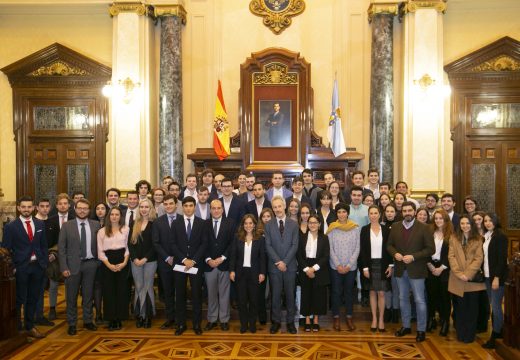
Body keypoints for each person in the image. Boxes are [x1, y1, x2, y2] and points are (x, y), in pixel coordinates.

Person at [387, 201, 434, 343]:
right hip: (400, 270)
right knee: (403, 298)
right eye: (405, 210)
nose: (407, 213)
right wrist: (395, 254)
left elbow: (430, 249)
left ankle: (421, 330)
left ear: (414, 212)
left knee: (419, 300)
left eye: (410, 210)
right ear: (402, 212)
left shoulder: (425, 228)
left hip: (417, 270)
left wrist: (414, 257)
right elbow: (389, 245)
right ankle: (406, 326)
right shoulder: (395, 226)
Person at [2, 196, 48, 338]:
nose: (26, 209)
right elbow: (5, 249)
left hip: (37, 267)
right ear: (18, 208)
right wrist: (13, 267)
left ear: (34, 208)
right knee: (19, 298)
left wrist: (44, 263)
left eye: (29, 207)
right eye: (23, 207)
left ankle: (30, 326)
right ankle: (16, 327)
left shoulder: (40, 224)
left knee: (33, 298)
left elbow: (43, 246)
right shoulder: (11, 227)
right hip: (20, 267)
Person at [58, 199, 100, 336]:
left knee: (88, 295)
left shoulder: (96, 225)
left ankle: (88, 320)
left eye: (85, 208)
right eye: (80, 208)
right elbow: (61, 249)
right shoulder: (67, 226)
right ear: (75, 209)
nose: (82, 210)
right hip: (72, 266)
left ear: (89, 210)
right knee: (71, 296)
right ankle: (72, 323)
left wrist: (97, 263)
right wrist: (63, 267)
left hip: (91, 265)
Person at [171, 196, 207, 336]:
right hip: (180, 264)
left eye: (191, 206)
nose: (188, 208)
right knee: (180, 294)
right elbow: (172, 243)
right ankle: (181, 324)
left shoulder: (201, 223)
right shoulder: (176, 223)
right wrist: (184, 259)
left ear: (194, 207)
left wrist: (193, 260)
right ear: (182, 207)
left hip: (196, 264)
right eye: (185, 206)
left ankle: (197, 324)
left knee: (196, 295)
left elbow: (204, 244)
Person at [264, 196, 299, 334]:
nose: (278, 209)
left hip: (290, 266)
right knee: (275, 296)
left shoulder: (293, 224)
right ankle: (276, 322)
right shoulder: (268, 225)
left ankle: (290, 322)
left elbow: (295, 245)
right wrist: (279, 262)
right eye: (275, 207)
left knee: (290, 295)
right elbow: (268, 246)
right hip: (274, 267)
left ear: (285, 206)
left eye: (279, 206)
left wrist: (285, 262)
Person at [448, 215, 485, 343]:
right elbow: (451, 257)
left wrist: (467, 274)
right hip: (457, 278)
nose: (465, 226)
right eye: (462, 223)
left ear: (472, 225)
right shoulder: (453, 238)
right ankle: (461, 333)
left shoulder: (478, 239)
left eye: (468, 223)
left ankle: (469, 335)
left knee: (472, 309)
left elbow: (478, 258)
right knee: (459, 308)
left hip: (472, 279)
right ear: (459, 225)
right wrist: (459, 273)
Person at [229, 214, 266, 333]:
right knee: (242, 301)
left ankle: (252, 324)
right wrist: (232, 270)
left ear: (254, 224)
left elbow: (262, 258)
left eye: (250, 223)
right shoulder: (237, 237)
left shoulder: (260, 238)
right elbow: (233, 256)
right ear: (243, 225)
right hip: (240, 273)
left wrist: (262, 273)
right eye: (246, 223)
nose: (248, 225)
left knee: (254, 300)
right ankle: (244, 324)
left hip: (255, 273)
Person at [327, 203, 360, 331]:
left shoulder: (355, 228)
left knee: (349, 292)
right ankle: (336, 317)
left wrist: (349, 264)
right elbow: (329, 249)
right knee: (336, 292)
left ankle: (349, 316)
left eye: (344, 212)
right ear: (337, 214)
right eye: (339, 212)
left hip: (350, 268)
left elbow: (357, 248)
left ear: (347, 213)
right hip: (336, 267)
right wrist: (338, 265)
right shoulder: (332, 228)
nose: (341, 214)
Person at [360, 205, 392, 332]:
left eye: (375, 213)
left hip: (383, 264)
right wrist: (365, 268)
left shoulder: (386, 230)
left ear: (379, 214)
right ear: (368, 215)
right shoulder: (364, 230)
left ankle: (381, 319)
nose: (373, 215)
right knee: (372, 292)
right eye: (371, 213)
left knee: (382, 293)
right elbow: (362, 250)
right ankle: (374, 319)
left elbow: (390, 248)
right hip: (369, 264)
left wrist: (391, 265)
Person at [203, 200, 234, 331]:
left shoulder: (230, 223)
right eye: (213, 208)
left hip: (224, 264)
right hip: (209, 264)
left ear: (222, 209)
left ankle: (224, 319)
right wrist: (209, 259)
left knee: (224, 294)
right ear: (210, 210)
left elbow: (232, 243)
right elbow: (202, 243)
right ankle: (212, 319)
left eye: (218, 208)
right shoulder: (204, 224)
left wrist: (222, 258)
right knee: (211, 294)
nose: (216, 210)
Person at [97, 207, 130, 331]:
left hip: (122, 261)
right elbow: (100, 251)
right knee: (109, 291)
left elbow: (127, 248)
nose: (114, 217)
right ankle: (111, 319)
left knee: (122, 290)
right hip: (107, 262)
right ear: (108, 216)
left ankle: (119, 318)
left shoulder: (126, 230)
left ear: (120, 216)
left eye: (117, 214)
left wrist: (124, 262)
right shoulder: (101, 232)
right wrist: (109, 265)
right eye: (112, 214)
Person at [297, 214, 330, 332]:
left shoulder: (325, 238)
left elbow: (326, 256)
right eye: (310, 222)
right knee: (306, 294)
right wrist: (307, 269)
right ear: (307, 224)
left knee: (318, 296)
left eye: (315, 222)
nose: (312, 225)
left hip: (319, 269)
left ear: (319, 224)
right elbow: (299, 256)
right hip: (305, 268)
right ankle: (306, 320)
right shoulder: (302, 237)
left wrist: (314, 269)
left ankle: (315, 320)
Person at [128, 199, 157, 329]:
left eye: (147, 207)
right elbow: (130, 244)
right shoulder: (134, 223)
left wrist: (145, 258)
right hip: (135, 261)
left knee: (148, 286)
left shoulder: (155, 224)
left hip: (150, 261)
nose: (144, 209)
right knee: (139, 287)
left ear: (151, 209)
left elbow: (155, 245)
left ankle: (147, 316)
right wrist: (134, 259)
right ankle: (140, 314)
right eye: (142, 207)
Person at [481, 213, 508, 349]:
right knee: (494, 306)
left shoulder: (500, 236)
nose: (487, 223)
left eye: (490, 220)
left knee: (496, 307)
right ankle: (499, 331)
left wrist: (496, 277)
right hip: (487, 276)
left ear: (496, 221)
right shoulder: (486, 236)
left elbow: (501, 259)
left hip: (496, 277)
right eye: (485, 221)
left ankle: (496, 335)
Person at [152, 194, 178, 330]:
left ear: (176, 205)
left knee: (180, 291)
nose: (168, 206)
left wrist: (177, 257)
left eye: (171, 204)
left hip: (180, 262)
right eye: (166, 204)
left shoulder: (182, 219)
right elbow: (156, 243)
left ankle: (180, 318)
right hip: (164, 262)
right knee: (167, 292)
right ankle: (170, 318)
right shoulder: (158, 221)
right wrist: (167, 257)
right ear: (163, 206)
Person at [426, 209, 453, 336]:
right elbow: (424, 250)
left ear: (446, 220)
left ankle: (445, 321)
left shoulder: (452, 235)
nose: (438, 221)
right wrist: (431, 267)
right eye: (436, 218)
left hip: (445, 268)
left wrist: (442, 268)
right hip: (430, 266)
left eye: (440, 218)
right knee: (431, 295)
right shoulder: (429, 232)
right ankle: (431, 319)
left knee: (445, 297)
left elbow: (452, 254)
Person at [382, 203, 400, 323]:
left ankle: (395, 310)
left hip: (396, 261)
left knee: (396, 288)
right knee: (386, 288)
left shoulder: (399, 226)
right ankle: (387, 310)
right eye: (387, 211)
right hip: (384, 261)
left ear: (396, 213)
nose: (389, 213)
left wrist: (392, 263)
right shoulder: (381, 226)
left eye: (392, 211)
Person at [257, 207, 274, 325]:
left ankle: (274, 317)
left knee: (274, 292)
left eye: (268, 216)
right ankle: (262, 316)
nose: (266, 219)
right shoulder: (257, 233)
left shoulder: (277, 229)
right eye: (264, 216)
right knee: (261, 292)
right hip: (260, 265)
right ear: (261, 218)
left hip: (273, 264)